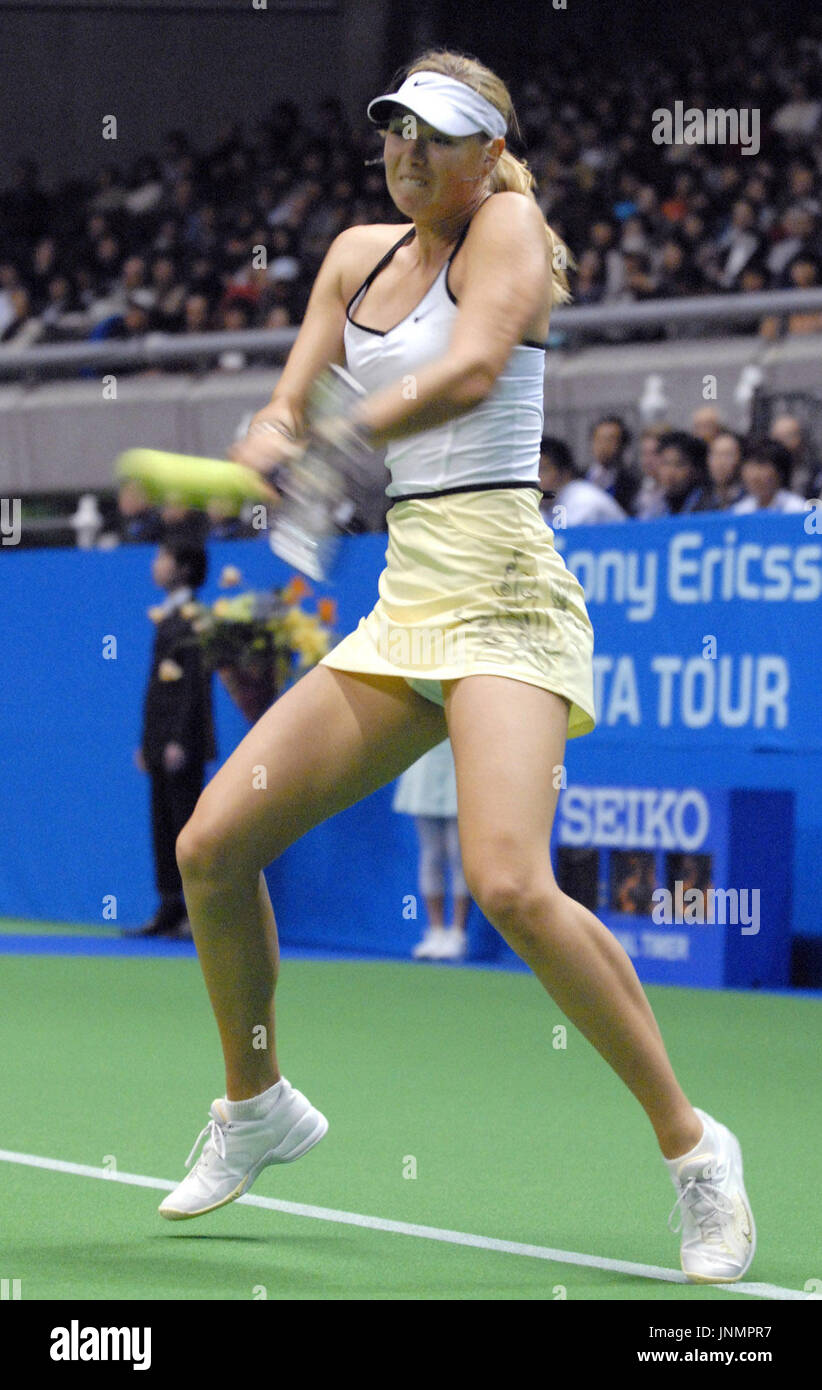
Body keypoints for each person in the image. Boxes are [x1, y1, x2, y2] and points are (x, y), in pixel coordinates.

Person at [159, 51, 756, 1286]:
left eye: (437, 136)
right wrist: (270, 439)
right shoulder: (350, 254)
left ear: (490, 150)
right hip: (407, 599)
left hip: (508, 596)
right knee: (213, 847)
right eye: (396, 132)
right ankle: (256, 1100)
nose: (409, 153)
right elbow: (291, 398)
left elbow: (474, 369)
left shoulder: (513, 226)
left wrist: (335, 435)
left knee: (508, 881)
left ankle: (696, 1151)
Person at [133, 541, 217, 937]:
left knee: (185, 827)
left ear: (182, 568)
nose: (155, 565)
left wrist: (179, 741)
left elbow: (193, 689)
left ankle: (195, 912)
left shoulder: (194, 618)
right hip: (159, 743)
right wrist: (147, 741)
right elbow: (159, 689)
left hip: (182, 746)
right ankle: (169, 905)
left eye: (163, 557)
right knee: (162, 825)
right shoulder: (167, 616)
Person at [392, 739, 469, 961]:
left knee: (459, 855)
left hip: (461, 764)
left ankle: (458, 934)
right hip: (425, 767)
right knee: (431, 855)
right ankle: (435, 932)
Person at [538, 435, 626, 526]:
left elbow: (566, 537)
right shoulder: (547, 504)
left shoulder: (583, 501)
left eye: (541, 470)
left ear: (565, 473)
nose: (534, 479)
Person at [731, 439, 808, 514]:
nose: (755, 475)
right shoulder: (739, 511)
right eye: (750, 467)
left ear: (780, 472)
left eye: (761, 466)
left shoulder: (798, 509)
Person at [656, 431, 715, 515]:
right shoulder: (656, 506)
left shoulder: (709, 505)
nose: (670, 472)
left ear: (696, 470)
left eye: (679, 464)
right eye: (665, 463)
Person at [706, 430, 745, 511]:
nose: (720, 462)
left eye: (728, 455)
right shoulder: (699, 500)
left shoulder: (751, 498)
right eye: (715, 455)